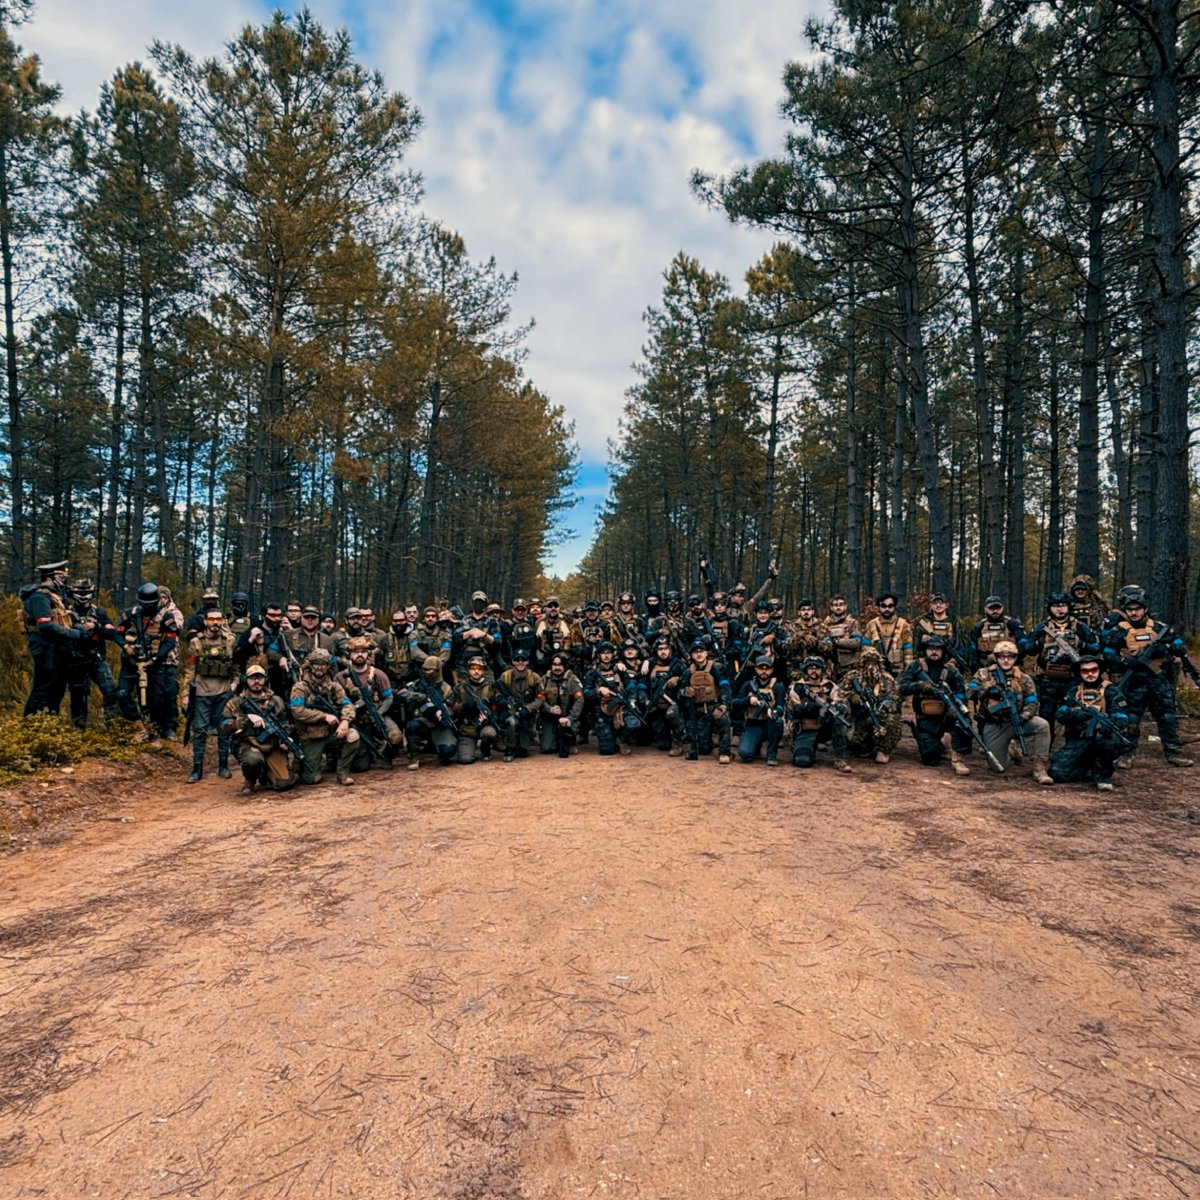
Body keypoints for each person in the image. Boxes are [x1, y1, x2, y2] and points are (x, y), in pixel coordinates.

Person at [1100, 589, 1194, 768]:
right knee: (1130, 718)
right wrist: (1126, 662)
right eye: (1130, 609)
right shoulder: (1118, 630)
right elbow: (1108, 654)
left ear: (1144, 609)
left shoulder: (1159, 627)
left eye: (1137, 609)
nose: (1133, 613)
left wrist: (1166, 648)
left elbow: (1180, 646)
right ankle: (1127, 754)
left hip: (1158, 679)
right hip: (1134, 680)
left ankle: (1173, 752)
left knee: (1167, 716)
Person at [967, 640, 1052, 783]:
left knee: (1042, 725)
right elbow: (968, 691)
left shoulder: (1024, 679)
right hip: (994, 724)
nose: (1006, 660)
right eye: (1002, 657)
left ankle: (1040, 769)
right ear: (996, 657)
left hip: (1016, 721)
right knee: (997, 767)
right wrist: (986, 690)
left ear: (1015, 658)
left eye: (1010, 657)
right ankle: (1011, 751)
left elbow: (1032, 701)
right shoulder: (983, 674)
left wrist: (1024, 716)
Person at [1021, 591, 1097, 742]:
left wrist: (1080, 644)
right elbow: (1027, 648)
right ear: (1050, 608)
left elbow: (1095, 648)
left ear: (1069, 607)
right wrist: (1041, 643)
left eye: (1063, 606)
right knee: (1046, 715)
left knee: (1073, 713)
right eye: (1055, 606)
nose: (1059, 609)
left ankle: (1072, 747)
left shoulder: (1080, 627)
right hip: (1048, 679)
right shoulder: (1042, 627)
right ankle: (1044, 750)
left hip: (1072, 679)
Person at [1048, 657, 1133, 792]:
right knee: (1057, 772)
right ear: (1080, 673)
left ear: (1099, 671)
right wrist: (1074, 714)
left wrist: (1108, 724)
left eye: (1094, 670)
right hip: (1079, 739)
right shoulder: (1074, 691)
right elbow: (1061, 713)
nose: (1090, 674)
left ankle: (1103, 776)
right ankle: (1087, 767)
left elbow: (1122, 716)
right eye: (1085, 671)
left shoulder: (1111, 690)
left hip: (1103, 739)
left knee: (1105, 741)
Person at [22, 560, 89, 716]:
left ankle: (51, 722)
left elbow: (63, 620)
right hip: (45, 650)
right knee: (42, 689)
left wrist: (78, 626)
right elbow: (45, 626)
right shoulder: (39, 597)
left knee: (57, 690)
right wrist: (76, 635)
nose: (64, 581)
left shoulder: (54, 597)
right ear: (52, 577)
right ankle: (30, 725)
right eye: (62, 577)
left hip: (56, 650)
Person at [898, 636, 971, 775]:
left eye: (937, 649)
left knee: (964, 722)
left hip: (946, 717)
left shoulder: (951, 671)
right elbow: (902, 688)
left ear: (943, 651)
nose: (934, 652)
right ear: (925, 650)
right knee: (930, 760)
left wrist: (954, 708)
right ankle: (943, 742)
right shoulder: (916, 666)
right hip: (925, 718)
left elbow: (961, 695)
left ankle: (958, 758)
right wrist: (919, 686)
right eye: (931, 649)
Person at [222, 663, 299, 794]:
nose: (256, 682)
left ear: (265, 679)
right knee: (253, 760)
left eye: (260, 678)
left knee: (284, 784)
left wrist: (286, 738)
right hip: (249, 744)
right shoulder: (236, 703)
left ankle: (265, 774)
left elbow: (285, 723)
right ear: (246, 680)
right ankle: (250, 780)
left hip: (273, 745)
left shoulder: (276, 701)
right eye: (252, 678)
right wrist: (246, 718)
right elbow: (224, 728)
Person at [116, 582, 180, 739]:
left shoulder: (166, 616)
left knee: (157, 699)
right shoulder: (130, 614)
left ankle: (155, 730)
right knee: (122, 694)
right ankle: (137, 725)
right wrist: (125, 646)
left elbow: (170, 641)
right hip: (130, 664)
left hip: (154, 665)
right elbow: (117, 633)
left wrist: (156, 658)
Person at [182, 608, 237, 783]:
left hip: (223, 691)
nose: (215, 623)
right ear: (205, 621)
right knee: (199, 731)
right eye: (211, 619)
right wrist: (185, 694)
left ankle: (223, 766)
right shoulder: (196, 643)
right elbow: (190, 669)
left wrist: (235, 683)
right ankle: (197, 769)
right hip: (201, 692)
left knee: (224, 729)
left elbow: (235, 665)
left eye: (218, 619)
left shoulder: (230, 641)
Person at [289, 648, 359, 785]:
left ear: (328, 666)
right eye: (316, 663)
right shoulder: (300, 687)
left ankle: (342, 772)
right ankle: (301, 764)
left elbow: (348, 705)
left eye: (323, 664)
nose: (319, 667)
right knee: (311, 779)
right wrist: (323, 716)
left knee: (353, 736)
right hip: (311, 736)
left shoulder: (334, 686)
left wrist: (345, 721)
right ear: (310, 665)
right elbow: (298, 711)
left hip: (332, 733)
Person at [337, 636, 403, 769]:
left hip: (377, 714)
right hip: (355, 721)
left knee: (395, 736)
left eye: (363, 651)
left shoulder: (378, 674)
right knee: (360, 766)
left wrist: (379, 713)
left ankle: (387, 756)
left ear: (368, 654)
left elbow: (388, 697)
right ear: (349, 654)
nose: (359, 654)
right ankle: (368, 752)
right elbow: (337, 703)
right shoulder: (341, 677)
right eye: (355, 652)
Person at [64, 577, 122, 728]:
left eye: (86, 592)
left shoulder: (100, 613)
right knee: (78, 696)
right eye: (79, 592)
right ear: (72, 593)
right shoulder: (66, 613)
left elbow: (112, 634)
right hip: (75, 659)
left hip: (96, 658)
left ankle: (112, 726)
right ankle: (79, 729)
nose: (83, 596)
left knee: (110, 690)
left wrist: (96, 626)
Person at [785, 656, 852, 772]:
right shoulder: (798, 687)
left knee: (838, 720)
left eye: (817, 668)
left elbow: (841, 702)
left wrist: (839, 707)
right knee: (802, 761)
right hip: (806, 728)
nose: (814, 671)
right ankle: (809, 749)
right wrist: (808, 707)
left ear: (822, 670)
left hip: (824, 728)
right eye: (810, 668)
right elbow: (792, 710)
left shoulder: (830, 686)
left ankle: (839, 759)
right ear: (805, 670)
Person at [841, 646, 902, 764]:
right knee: (857, 746)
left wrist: (883, 706)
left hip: (878, 716)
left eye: (874, 663)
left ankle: (883, 750)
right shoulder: (852, 677)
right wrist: (852, 697)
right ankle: (863, 746)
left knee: (892, 719)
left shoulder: (886, 679)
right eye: (867, 663)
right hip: (858, 717)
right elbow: (839, 694)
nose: (871, 666)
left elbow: (894, 698)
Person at [679, 641, 732, 763]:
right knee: (704, 749)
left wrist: (723, 705)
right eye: (695, 652)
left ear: (706, 653)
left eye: (701, 651)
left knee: (724, 719)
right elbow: (680, 691)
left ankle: (724, 751)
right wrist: (685, 691)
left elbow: (725, 688)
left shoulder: (716, 668)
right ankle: (709, 740)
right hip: (698, 711)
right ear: (691, 655)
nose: (698, 655)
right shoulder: (688, 672)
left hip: (715, 708)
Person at [402, 655, 458, 767]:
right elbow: (401, 693)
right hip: (422, 720)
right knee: (412, 726)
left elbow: (452, 706)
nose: (426, 672)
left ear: (438, 670)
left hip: (438, 724)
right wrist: (419, 696)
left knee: (448, 751)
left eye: (430, 670)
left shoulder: (446, 688)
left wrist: (443, 711)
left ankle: (433, 746)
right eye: (425, 669)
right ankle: (414, 756)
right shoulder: (417, 684)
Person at [734, 655, 784, 765]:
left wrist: (775, 711)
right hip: (753, 724)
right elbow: (735, 703)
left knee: (778, 722)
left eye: (767, 669)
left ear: (772, 670)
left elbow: (781, 706)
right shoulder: (748, 685)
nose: (764, 671)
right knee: (744, 753)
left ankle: (771, 754)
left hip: (769, 724)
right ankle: (755, 746)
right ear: (756, 669)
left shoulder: (778, 687)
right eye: (761, 668)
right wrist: (748, 700)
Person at [496, 647, 543, 760]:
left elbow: (540, 699)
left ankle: (523, 741)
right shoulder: (506, 676)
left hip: (527, 715)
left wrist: (528, 709)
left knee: (523, 752)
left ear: (527, 661)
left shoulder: (534, 678)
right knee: (511, 722)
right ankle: (509, 748)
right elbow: (497, 693)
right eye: (517, 659)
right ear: (513, 661)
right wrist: (500, 700)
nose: (520, 662)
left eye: (523, 659)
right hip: (510, 712)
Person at [452, 654, 500, 763]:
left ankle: (485, 749)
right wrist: (464, 706)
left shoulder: (491, 687)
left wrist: (488, 718)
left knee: (490, 734)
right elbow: (452, 709)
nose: (476, 671)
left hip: (484, 726)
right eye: (473, 668)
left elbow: (495, 709)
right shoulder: (460, 688)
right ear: (468, 670)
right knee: (465, 759)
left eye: (479, 669)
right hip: (467, 728)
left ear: (484, 671)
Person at [584, 641, 630, 756]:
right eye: (603, 653)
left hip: (621, 710)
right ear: (598, 655)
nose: (606, 656)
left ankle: (622, 740)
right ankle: (612, 739)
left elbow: (631, 686)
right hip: (602, 711)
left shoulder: (620, 670)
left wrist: (632, 700)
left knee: (634, 723)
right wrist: (598, 691)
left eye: (609, 653)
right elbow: (586, 692)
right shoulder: (592, 673)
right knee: (607, 750)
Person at [642, 636, 686, 755]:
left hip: (673, 703)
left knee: (673, 714)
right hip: (657, 705)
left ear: (670, 649)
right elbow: (643, 684)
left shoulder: (677, 664)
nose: (663, 651)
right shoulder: (651, 664)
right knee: (663, 745)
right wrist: (645, 699)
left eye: (666, 648)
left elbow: (687, 680)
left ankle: (678, 742)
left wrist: (678, 679)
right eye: (660, 649)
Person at [540, 652, 585, 756]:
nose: (557, 667)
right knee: (547, 748)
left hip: (568, 717)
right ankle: (556, 741)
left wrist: (570, 717)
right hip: (550, 717)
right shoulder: (544, 680)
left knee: (569, 731)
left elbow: (580, 700)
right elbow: (540, 699)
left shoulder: (572, 679)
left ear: (564, 666)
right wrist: (549, 709)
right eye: (554, 665)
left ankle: (570, 742)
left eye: (560, 665)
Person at [863, 593, 914, 677]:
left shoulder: (904, 625)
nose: (887, 609)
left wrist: (908, 673)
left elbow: (908, 653)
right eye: (883, 606)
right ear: (878, 607)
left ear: (894, 607)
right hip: (876, 672)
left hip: (897, 673)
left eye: (890, 606)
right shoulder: (871, 625)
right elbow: (864, 648)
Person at [969, 597, 1025, 670]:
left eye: (998, 608)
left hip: (1010, 666)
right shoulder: (979, 627)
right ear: (985, 609)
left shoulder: (1012, 624)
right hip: (985, 666)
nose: (995, 611)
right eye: (991, 608)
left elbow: (1022, 648)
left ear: (1002, 608)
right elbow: (973, 651)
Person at [822, 595, 864, 680]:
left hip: (849, 664)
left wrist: (837, 642)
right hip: (831, 666)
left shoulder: (852, 623)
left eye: (841, 604)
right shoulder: (825, 624)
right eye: (835, 605)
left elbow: (857, 642)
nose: (838, 607)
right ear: (831, 608)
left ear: (845, 607)